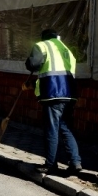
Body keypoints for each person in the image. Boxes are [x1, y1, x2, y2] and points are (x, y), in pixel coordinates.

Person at [24, 29, 82, 174]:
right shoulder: (66, 49)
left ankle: (50, 164)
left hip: (53, 92)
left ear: (44, 37)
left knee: (52, 129)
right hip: (69, 94)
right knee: (65, 129)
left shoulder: (42, 45)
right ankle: (75, 162)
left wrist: (30, 61)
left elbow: (32, 65)